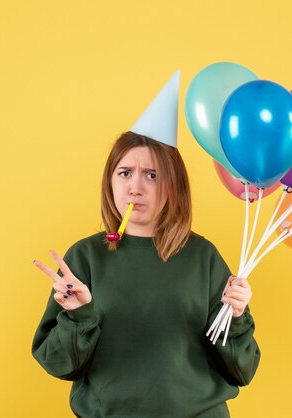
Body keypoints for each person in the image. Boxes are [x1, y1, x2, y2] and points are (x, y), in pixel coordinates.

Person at [31, 72, 260, 417]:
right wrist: (78, 316)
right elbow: (59, 365)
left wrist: (237, 316)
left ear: (173, 186)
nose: (135, 187)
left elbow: (242, 370)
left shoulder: (203, 257)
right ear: (110, 181)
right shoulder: (84, 257)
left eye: (151, 175)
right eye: (125, 173)